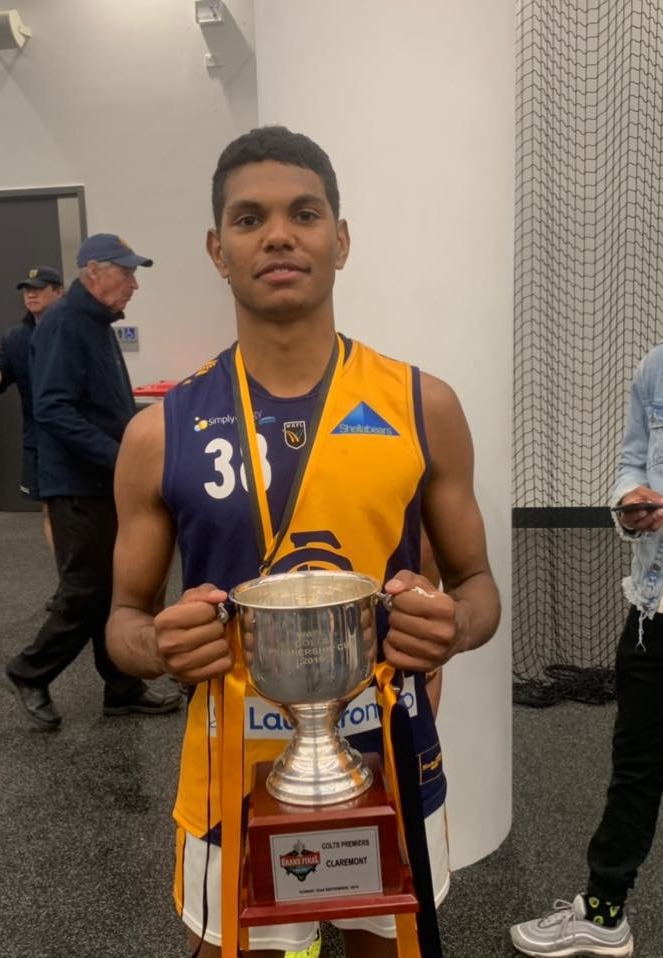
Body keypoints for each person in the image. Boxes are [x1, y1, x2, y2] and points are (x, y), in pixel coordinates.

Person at [106, 127, 501, 958]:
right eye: (249, 219)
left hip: (383, 752)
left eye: (304, 213)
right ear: (218, 250)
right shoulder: (158, 433)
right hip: (227, 765)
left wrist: (452, 626)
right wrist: (157, 644)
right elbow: (122, 621)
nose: (278, 235)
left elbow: (476, 588)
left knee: (383, 948)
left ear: (340, 239)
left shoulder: (423, 405)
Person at [509, 346, 663, 958]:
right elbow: (631, 460)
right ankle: (602, 914)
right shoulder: (656, 366)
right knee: (636, 766)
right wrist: (632, 504)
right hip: (655, 609)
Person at [5, 234, 182, 731]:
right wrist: (124, 456)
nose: (134, 284)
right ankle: (29, 671)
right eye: (126, 273)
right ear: (94, 271)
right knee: (86, 589)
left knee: (114, 586)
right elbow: (53, 408)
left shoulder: (95, 322)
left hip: (102, 481)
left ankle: (122, 688)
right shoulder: (66, 323)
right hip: (77, 483)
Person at [0, 265, 64, 552]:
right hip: (38, 441)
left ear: (59, 292)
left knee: (83, 512)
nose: (31, 294)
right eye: (27, 290)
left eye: (38, 289)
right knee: (50, 510)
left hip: (75, 439)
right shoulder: (16, 337)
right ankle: (67, 576)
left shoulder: (73, 332)